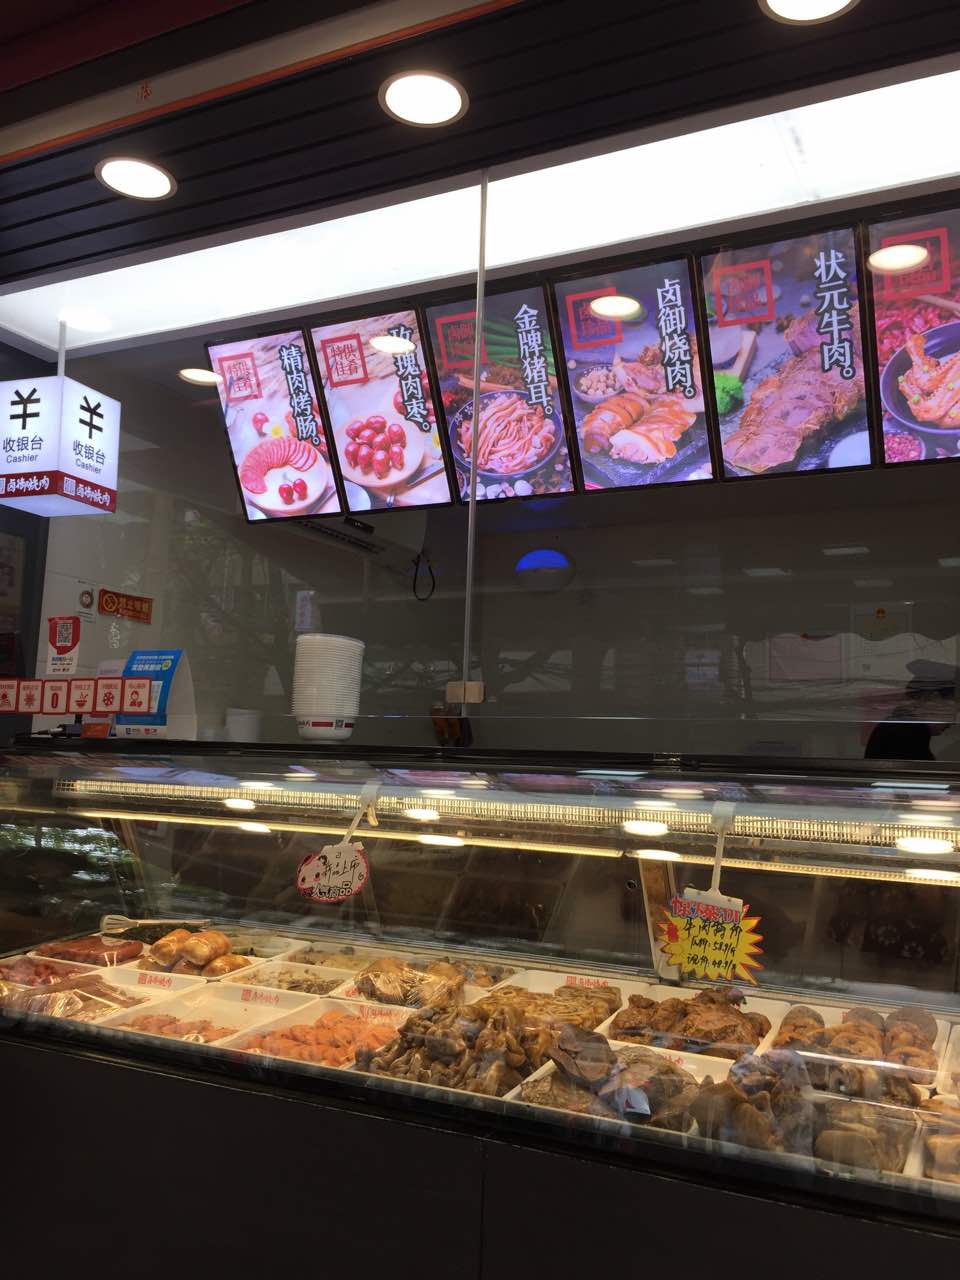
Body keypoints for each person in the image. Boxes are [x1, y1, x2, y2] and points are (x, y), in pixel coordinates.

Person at [865, 660, 957, 761]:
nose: (952, 722)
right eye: (953, 709)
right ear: (933, 698)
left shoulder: (899, 725)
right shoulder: (909, 731)